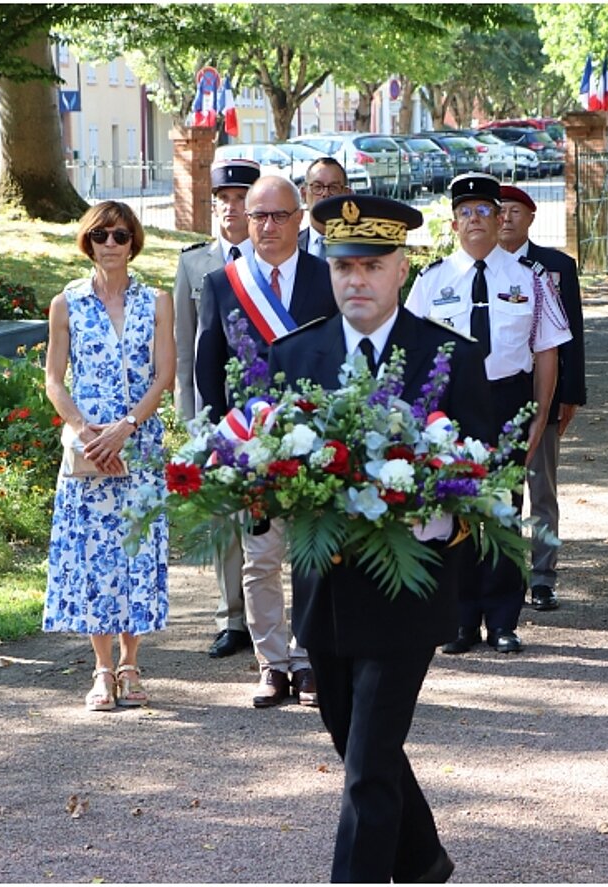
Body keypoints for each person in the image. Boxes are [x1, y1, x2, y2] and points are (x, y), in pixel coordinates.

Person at [269, 194, 493, 883]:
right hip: (325, 591)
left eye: (370, 265)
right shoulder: (293, 353)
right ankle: (423, 858)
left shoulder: (448, 357)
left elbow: (483, 471)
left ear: (402, 269)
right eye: (343, 267)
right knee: (357, 741)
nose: (355, 281)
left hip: (407, 590)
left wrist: (441, 506)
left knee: (367, 765)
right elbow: (268, 463)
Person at [405, 172, 571, 655]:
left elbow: (547, 352)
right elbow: (413, 350)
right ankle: (458, 619)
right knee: (452, 511)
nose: (475, 219)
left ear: (501, 220)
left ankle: (502, 618)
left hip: (506, 404)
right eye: (465, 212)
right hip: (450, 410)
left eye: (485, 211)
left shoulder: (530, 280)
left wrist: (539, 419)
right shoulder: (432, 281)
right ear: (454, 222)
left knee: (501, 512)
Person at [195, 175, 337, 708]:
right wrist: (222, 442)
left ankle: (308, 661)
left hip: (317, 443)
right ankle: (271, 665)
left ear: (301, 219)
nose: (268, 226)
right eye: (258, 216)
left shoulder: (328, 278)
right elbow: (208, 369)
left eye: (279, 215)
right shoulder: (222, 283)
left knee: (313, 556)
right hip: (252, 448)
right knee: (260, 559)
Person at [44, 201, 175, 711]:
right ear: (88, 241)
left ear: (133, 241)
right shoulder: (67, 303)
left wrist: (126, 428)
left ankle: (131, 663)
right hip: (89, 450)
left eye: (121, 235)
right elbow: (54, 380)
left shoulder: (156, 301)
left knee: (135, 555)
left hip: (137, 444)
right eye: (101, 235)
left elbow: (164, 374)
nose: (111, 244)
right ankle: (101, 669)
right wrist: (84, 431)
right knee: (95, 558)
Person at [173, 157, 260, 660]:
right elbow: (184, 346)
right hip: (217, 412)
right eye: (222, 200)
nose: (230, 209)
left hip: (268, 408)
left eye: (239, 200)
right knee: (226, 518)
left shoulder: (275, 259)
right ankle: (232, 619)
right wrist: (191, 414)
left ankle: (277, 613)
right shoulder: (193, 263)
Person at [496, 184, 586, 613]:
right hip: (497, 399)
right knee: (499, 492)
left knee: (542, 489)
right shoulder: (483, 270)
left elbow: (572, 338)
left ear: (531, 218)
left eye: (516, 211)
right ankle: (504, 575)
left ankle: (544, 577)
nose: (507, 218)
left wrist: (570, 396)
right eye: (501, 211)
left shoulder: (554, 266)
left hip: (543, 397)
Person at [298, 157, 351, 260]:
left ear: (347, 194)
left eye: (333, 188)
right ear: (304, 194)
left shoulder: (360, 247)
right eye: (317, 187)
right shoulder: (289, 246)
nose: (325, 194)